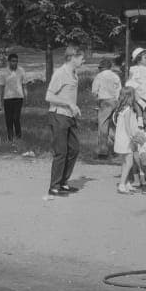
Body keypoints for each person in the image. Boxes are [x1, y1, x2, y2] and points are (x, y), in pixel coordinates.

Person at [44, 44, 85, 196]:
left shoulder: (74, 74)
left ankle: (63, 182)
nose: (84, 60)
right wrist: (68, 104)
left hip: (70, 116)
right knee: (61, 151)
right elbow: (49, 96)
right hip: (58, 115)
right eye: (81, 57)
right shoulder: (60, 73)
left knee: (74, 149)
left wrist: (74, 107)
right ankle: (54, 187)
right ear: (72, 57)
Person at [111, 88, 146, 194]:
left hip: (120, 138)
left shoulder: (119, 109)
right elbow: (128, 127)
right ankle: (122, 185)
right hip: (126, 139)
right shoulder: (128, 109)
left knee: (124, 162)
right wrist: (133, 138)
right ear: (130, 97)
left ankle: (127, 183)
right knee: (129, 162)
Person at [90, 58, 122, 159]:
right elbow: (119, 90)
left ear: (102, 67)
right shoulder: (115, 76)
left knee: (103, 127)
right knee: (114, 127)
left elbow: (94, 91)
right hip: (115, 102)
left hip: (104, 102)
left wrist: (97, 100)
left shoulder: (99, 76)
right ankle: (119, 150)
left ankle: (103, 152)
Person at [0, 53, 28, 142]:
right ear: (9, 62)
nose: (14, 63)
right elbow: (1, 87)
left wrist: (26, 96)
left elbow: (24, 85)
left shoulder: (21, 71)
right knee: (9, 119)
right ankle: (10, 138)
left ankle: (18, 137)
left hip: (19, 98)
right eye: (13, 61)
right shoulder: (4, 72)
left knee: (16, 118)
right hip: (7, 98)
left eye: (16, 61)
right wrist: (0, 102)